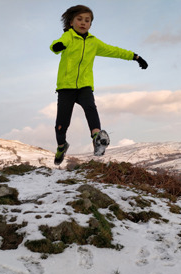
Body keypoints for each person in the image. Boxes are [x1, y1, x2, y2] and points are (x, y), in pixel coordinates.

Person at [50, 4, 148, 165]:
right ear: (71, 23)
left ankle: (97, 138)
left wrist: (135, 57)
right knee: (62, 124)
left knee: (90, 108)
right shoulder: (68, 37)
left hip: (84, 86)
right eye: (79, 19)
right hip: (65, 87)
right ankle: (61, 146)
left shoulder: (94, 42)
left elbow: (114, 50)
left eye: (87, 20)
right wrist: (57, 46)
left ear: (90, 24)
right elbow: (56, 44)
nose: (83, 23)